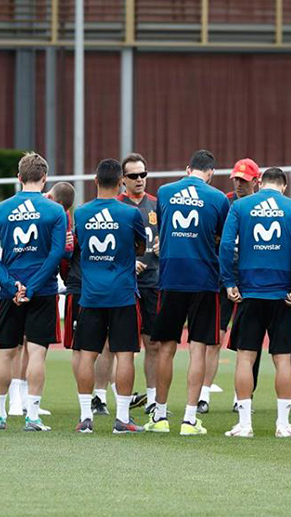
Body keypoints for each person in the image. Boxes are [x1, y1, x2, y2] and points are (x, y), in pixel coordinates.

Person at [219, 167, 291, 438]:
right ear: (283, 186)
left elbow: (226, 246)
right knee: (283, 360)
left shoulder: (242, 206)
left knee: (246, 358)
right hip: (283, 295)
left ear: (260, 183)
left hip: (249, 293)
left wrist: (228, 282)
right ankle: (283, 425)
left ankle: (245, 424)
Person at [145, 149, 230, 436]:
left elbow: (164, 228)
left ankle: (159, 416)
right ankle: (190, 420)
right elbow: (222, 238)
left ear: (187, 168)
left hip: (171, 277)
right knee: (198, 349)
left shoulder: (165, 192)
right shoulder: (218, 198)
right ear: (211, 173)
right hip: (204, 279)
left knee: (165, 349)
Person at [0, 152, 67, 432]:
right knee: (36, 353)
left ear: (19, 178)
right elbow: (56, 254)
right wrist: (31, 287)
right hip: (41, 291)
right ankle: (32, 416)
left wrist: (10, 284)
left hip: (12, 293)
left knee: (6, 353)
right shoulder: (55, 211)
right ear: (45, 178)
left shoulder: (1, 209)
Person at [72, 159, 147, 434]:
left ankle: (85, 418)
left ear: (95, 181)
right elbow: (140, 247)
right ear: (120, 183)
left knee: (87, 355)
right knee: (124, 356)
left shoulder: (81, 213)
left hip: (91, 295)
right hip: (123, 295)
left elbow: (78, 247)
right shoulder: (130, 214)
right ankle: (122, 418)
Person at [206, 158, 259, 414]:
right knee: (214, 337)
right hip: (223, 275)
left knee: (247, 341)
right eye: (236, 179)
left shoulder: (262, 205)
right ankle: (204, 393)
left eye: (244, 180)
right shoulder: (223, 202)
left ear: (255, 181)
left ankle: (242, 397)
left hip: (252, 278)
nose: (238, 184)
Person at [117, 153, 162, 415]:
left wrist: (162, 245)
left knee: (153, 343)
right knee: (119, 345)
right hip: (124, 284)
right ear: (123, 179)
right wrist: (127, 261)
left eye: (143, 174)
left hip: (153, 282)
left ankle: (154, 398)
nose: (139, 180)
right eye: (133, 176)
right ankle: (108, 397)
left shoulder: (157, 205)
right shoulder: (116, 205)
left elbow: (171, 235)